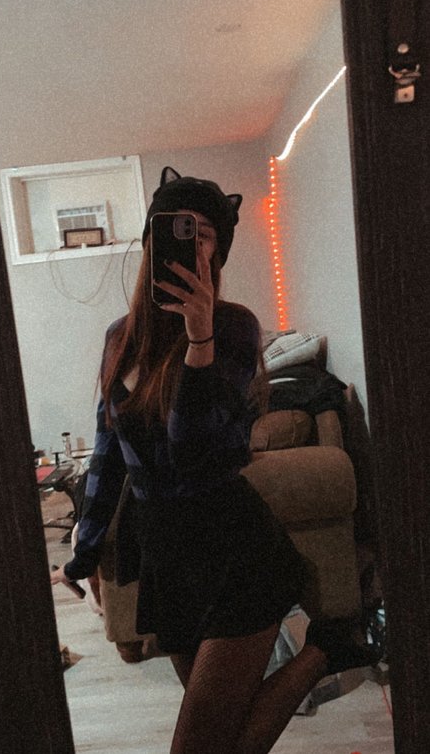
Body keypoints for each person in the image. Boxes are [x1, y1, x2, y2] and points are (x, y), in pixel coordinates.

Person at [51, 167, 378, 754]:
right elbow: (109, 453)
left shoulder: (233, 329)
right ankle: (331, 647)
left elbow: (195, 457)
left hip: (233, 547)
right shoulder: (119, 338)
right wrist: (86, 551)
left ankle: (325, 649)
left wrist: (198, 341)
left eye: (204, 234)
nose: (193, 242)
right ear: (152, 241)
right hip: (165, 555)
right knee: (219, 740)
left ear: (217, 254)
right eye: (179, 228)